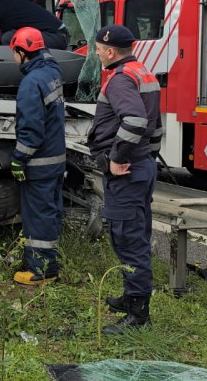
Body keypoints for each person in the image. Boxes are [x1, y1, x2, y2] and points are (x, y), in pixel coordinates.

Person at [86, 24, 163, 335]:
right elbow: (155, 126)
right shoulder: (143, 72)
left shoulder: (120, 80)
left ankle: (138, 314)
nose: (96, 54)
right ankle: (132, 296)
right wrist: (148, 157)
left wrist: (117, 157)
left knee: (127, 238)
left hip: (127, 171)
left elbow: (135, 120)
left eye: (97, 49)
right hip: (142, 166)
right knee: (136, 234)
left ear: (109, 51)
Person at [8, 27, 66, 285]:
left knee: (38, 215)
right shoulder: (52, 73)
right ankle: (48, 263)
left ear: (23, 52)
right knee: (50, 212)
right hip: (55, 159)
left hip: (39, 163)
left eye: (14, 52)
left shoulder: (31, 83)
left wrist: (19, 159)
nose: (13, 58)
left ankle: (41, 271)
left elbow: (31, 128)